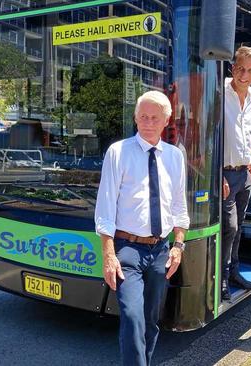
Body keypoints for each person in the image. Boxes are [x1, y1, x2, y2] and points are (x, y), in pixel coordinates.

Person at [95, 91, 190, 365]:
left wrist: (178, 246)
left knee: (150, 322)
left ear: (165, 122)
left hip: (161, 251)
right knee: (133, 319)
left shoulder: (174, 157)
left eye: (154, 118)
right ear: (136, 118)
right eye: (143, 117)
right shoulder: (118, 151)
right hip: (127, 251)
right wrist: (109, 254)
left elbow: (178, 207)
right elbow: (105, 207)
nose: (148, 122)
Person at [221, 46, 251, 300]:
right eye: (240, 68)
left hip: (244, 174)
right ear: (232, 67)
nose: (244, 74)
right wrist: (215, 173)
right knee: (229, 227)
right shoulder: (219, 89)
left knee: (239, 227)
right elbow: (204, 132)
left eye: (250, 70)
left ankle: (235, 272)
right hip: (223, 175)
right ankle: (223, 279)